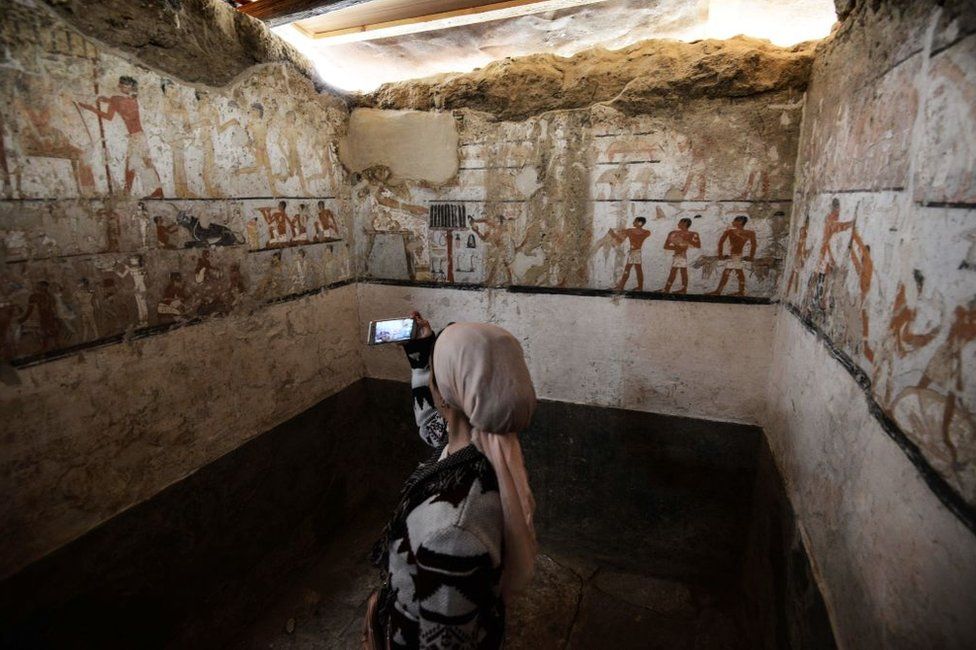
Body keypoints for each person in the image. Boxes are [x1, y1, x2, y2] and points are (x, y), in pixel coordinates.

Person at [366, 313, 537, 649]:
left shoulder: (454, 531)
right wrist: (421, 356)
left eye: (436, 371)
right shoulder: (487, 448)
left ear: (446, 394)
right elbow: (435, 428)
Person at [609, 216, 651, 291]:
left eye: (635, 221)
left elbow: (619, 240)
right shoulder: (645, 232)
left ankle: (622, 287)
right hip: (636, 252)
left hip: (634, 252)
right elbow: (621, 240)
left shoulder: (630, 231)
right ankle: (639, 287)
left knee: (629, 269)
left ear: (640, 223)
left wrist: (613, 234)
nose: (633, 222)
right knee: (637, 269)